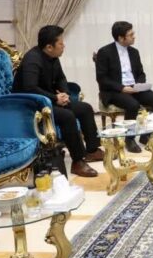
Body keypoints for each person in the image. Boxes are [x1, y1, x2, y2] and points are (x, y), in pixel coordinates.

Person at [13, 25, 103, 177]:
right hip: (31, 105)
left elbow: (61, 78)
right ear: (49, 47)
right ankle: (78, 161)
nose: (64, 46)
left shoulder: (53, 57)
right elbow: (30, 88)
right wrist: (55, 98)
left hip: (49, 100)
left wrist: (65, 94)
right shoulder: (32, 59)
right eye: (61, 43)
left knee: (85, 108)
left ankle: (92, 151)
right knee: (67, 116)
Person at [95, 21, 153, 153]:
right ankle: (129, 139)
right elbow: (102, 79)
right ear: (121, 38)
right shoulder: (104, 52)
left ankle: (146, 136)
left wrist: (139, 85)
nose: (134, 37)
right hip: (115, 90)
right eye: (131, 35)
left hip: (134, 88)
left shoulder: (134, 52)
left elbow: (141, 73)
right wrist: (122, 88)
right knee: (133, 105)